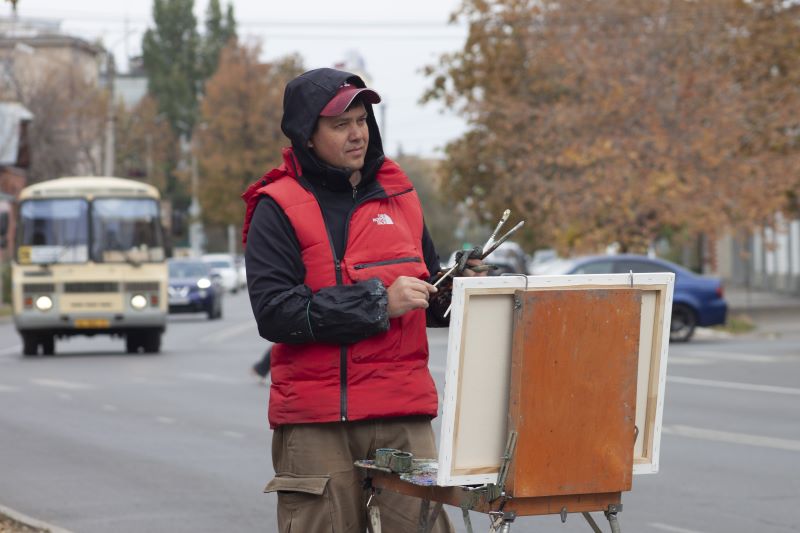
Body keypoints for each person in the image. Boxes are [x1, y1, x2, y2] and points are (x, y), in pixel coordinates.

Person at [242, 68, 480, 532]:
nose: (357, 134)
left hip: (402, 412)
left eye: (362, 120)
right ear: (306, 137)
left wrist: (458, 287)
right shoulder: (276, 204)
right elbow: (275, 313)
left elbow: (427, 294)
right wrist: (377, 304)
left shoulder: (401, 194)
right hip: (316, 419)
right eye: (340, 124)